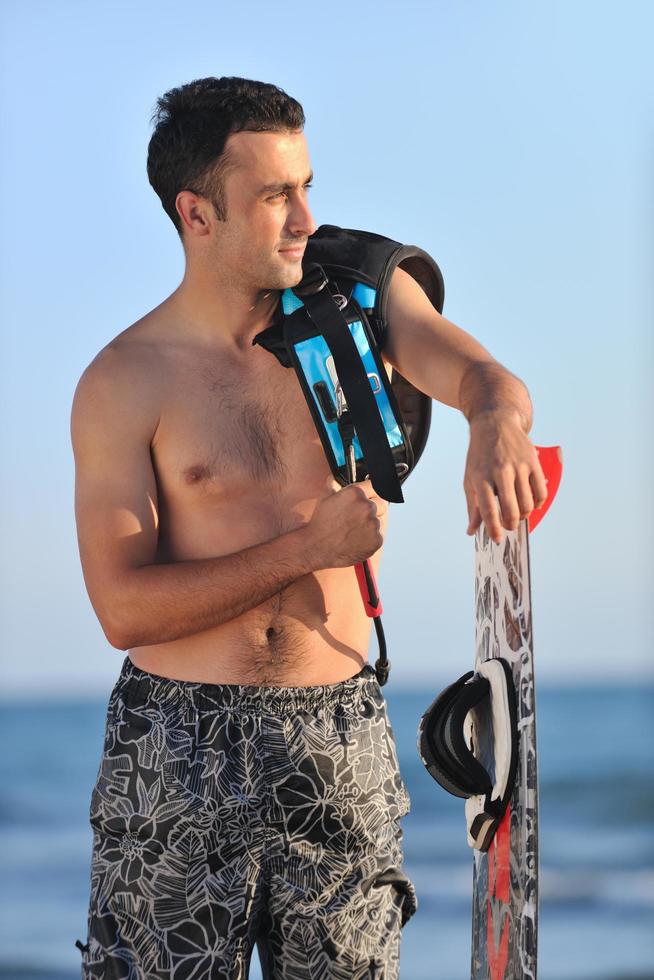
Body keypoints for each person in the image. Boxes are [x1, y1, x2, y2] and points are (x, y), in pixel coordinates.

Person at [71, 76, 547, 979]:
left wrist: (495, 425)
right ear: (195, 214)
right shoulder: (123, 382)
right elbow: (123, 609)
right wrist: (307, 550)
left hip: (337, 734)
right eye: (275, 195)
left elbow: (485, 376)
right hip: (176, 744)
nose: (304, 217)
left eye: (307, 186)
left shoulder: (357, 305)